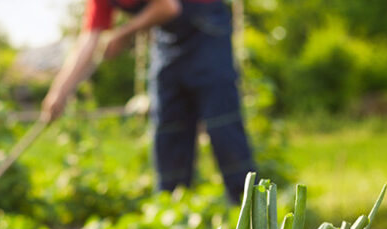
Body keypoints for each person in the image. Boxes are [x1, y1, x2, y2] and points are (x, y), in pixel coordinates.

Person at [41, 0, 256, 202]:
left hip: (208, 32)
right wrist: (59, 93)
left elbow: (168, 6)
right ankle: (173, 208)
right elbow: (88, 39)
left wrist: (124, 33)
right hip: (167, 41)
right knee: (168, 127)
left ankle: (245, 207)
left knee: (222, 125)